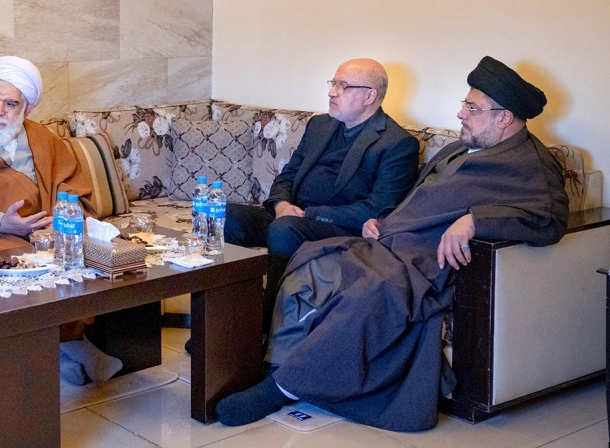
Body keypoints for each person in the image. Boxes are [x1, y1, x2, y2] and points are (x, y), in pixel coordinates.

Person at [215, 56, 569, 432]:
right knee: (311, 261)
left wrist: (476, 221)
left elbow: (552, 220)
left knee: (368, 293)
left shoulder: (531, 164)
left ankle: (280, 389)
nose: (460, 114)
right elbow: (410, 200)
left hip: (423, 263)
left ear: (504, 118)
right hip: (386, 242)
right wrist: (380, 220)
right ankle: (275, 364)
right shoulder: (457, 149)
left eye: (472, 108)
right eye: (465, 104)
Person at [0, 55, 122, 386]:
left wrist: (58, 222)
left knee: (74, 251)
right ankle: (64, 351)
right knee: (11, 264)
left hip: (44, 232)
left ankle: (63, 350)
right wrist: (3, 223)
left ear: (27, 108)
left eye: (10, 104)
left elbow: (72, 190)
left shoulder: (44, 140)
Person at [225, 58, 419, 330]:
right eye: (333, 83)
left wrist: (310, 214)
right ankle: (226, 316)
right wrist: (281, 204)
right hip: (292, 217)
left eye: (343, 86)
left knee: (284, 229)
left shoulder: (397, 144)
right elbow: (288, 174)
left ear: (369, 96)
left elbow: (380, 208)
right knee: (228, 215)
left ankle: (265, 328)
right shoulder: (319, 125)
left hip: (337, 229)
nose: (332, 92)